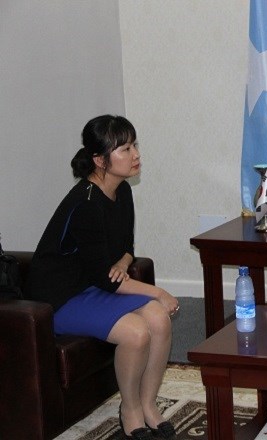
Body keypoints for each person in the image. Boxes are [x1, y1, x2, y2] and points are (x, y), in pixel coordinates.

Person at [28, 115, 178, 440]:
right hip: (61, 297)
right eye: (125, 149)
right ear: (100, 160)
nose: (135, 154)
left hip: (93, 285)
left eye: (134, 145)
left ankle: (149, 404)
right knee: (137, 332)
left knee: (159, 319)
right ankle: (130, 409)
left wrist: (123, 262)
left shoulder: (122, 191)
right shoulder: (86, 204)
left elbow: (127, 249)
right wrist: (158, 292)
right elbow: (108, 281)